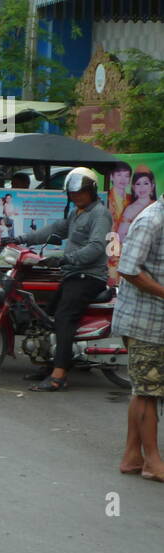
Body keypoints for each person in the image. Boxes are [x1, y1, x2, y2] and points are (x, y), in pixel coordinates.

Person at [20, 167, 112, 392]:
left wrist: (64, 260)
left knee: (64, 317)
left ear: (91, 190)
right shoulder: (76, 212)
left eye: (80, 192)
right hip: (73, 275)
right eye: (72, 194)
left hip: (89, 276)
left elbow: (97, 247)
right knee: (47, 314)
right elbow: (55, 230)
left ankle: (59, 376)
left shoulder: (100, 213)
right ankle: (49, 365)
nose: (76, 197)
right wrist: (21, 238)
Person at [112, 195, 164, 481]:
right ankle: (152, 462)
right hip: (145, 322)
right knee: (148, 391)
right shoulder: (152, 220)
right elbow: (129, 269)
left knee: (144, 387)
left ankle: (133, 456)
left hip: (156, 321)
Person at [116, 167, 157, 241]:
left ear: (152, 186)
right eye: (138, 184)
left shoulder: (158, 207)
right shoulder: (130, 210)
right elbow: (121, 236)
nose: (142, 187)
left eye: (146, 183)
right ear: (133, 187)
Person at [106, 161, 132, 230]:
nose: (122, 179)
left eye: (126, 176)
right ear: (111, 177)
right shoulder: (105, 198)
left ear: (129, 179)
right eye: (119, 175)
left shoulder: (132, 199)